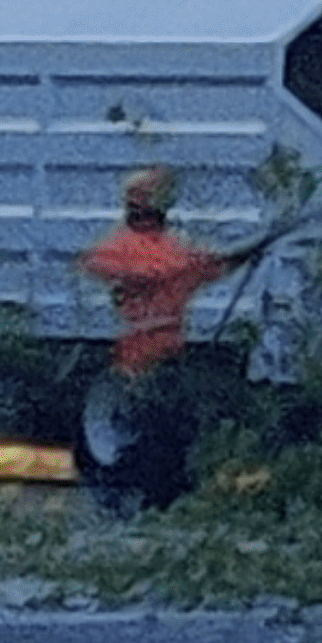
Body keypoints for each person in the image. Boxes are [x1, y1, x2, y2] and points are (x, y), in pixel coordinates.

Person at [74, 167, 273, 507]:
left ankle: (135, 500)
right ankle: (157, 502)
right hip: (163, 365)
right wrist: (249, 251)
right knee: (168, 442)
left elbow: (95, 266)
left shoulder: (117, 250)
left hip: (137, 367)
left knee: (149, 441)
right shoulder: (172, 254)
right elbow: (212, 265)